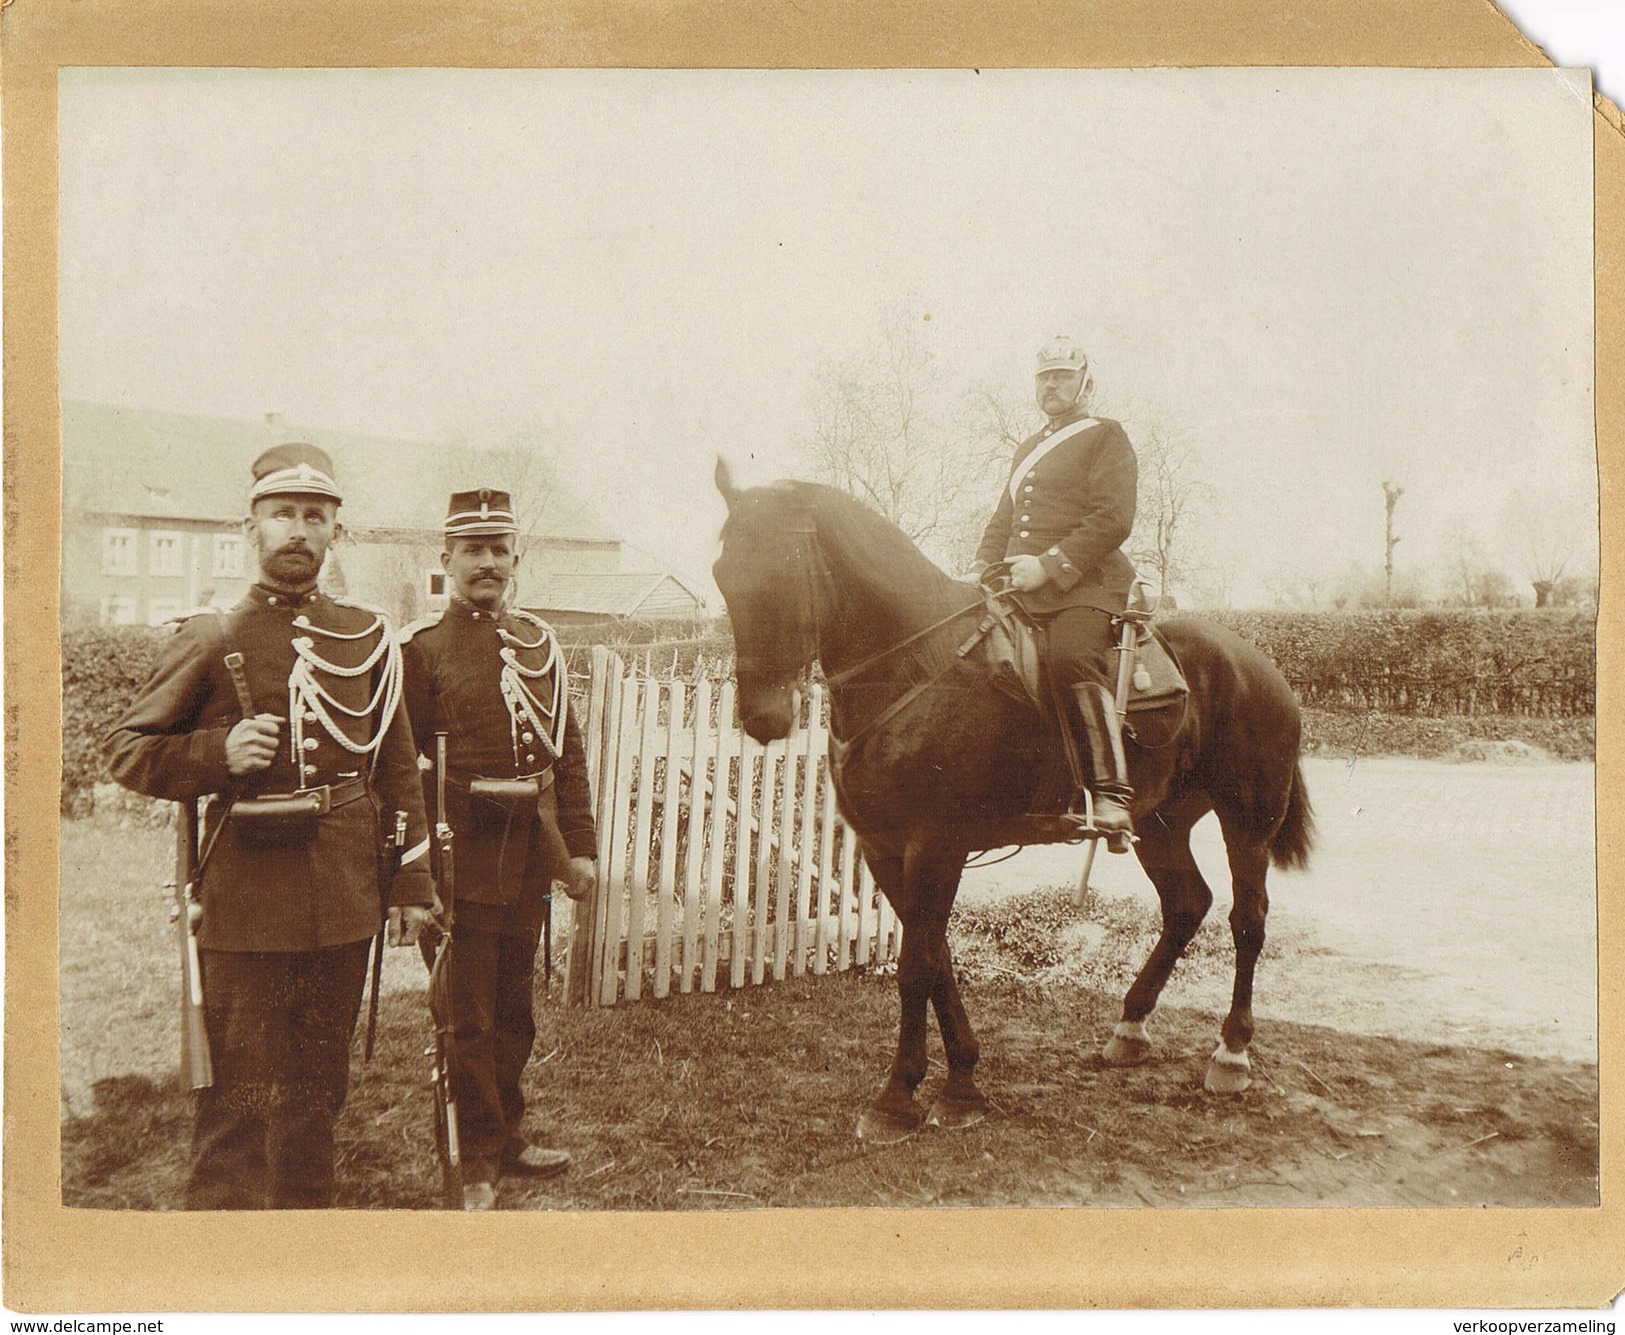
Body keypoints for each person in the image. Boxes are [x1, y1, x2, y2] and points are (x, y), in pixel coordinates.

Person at [106, 443, 439, 1209]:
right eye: (282, 513)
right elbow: (126, 748)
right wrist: (213, 752)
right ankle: (223, 1266)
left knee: (319, 1093)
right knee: (241, 1102)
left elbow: (395, 766)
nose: (298, 530)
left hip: (346, 899)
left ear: (335, 535)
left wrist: (410, 881)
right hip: (246, 903)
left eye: (315, 516)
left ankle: (301, 1245)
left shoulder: (366, 638)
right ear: (249, 526)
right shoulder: (213, 635)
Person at [399, 488, 598, 1211]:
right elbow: (399, 769)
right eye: (471, 549)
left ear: (516, 559)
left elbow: (566, 755)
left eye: (497, 549)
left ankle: (508, 1133)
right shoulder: (420, 652)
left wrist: (580, 847)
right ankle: (474, 1156)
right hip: (461, 856)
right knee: (467, 1013)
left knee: (515, 1009)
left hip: (529, 856)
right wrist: (414, 876)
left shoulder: (540, 644)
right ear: (445, 558)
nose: (486, 562)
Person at [973, 335, 1139, 839]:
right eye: (1044, 377)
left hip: (1087, 583)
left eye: (1063, 376)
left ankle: (1111, 793)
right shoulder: (1028, 448)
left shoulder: (1106, 436)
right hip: (1020, 584)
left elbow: (1113, 519)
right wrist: (983, 564)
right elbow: (1004, 519)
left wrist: (1048, 566)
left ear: (1086, 383)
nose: (1052, 385)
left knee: (1068, 655)